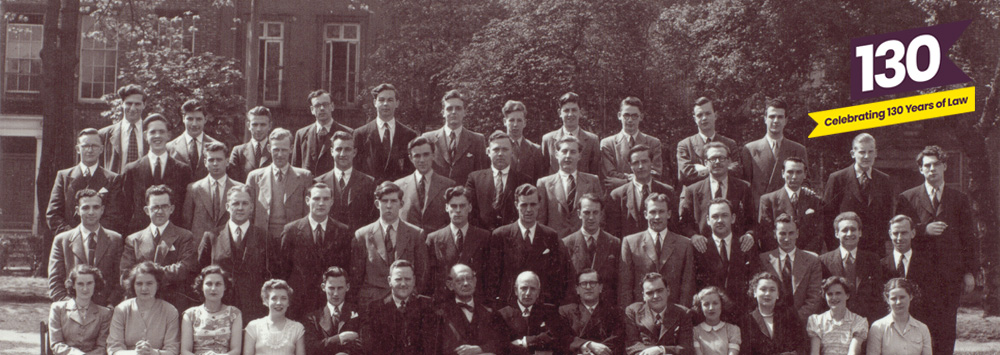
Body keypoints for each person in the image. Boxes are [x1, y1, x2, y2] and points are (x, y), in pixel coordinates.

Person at [894, 145, 976, 355]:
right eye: (927, 165)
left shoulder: (959, 199)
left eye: (936, 165)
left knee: (946, 329)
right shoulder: (907, 198)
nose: (932, 169)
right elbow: (899, 232)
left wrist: (969, 272)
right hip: (918, 276)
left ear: (945, 167)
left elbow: (969, 239)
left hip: (949, 277)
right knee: (919, 328)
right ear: (920, 169)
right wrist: (923, 230)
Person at [197, 185, 273, 325]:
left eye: (245, 203)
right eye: (235, 203)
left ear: (251, 207)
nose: (240, 207)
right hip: (220, 307)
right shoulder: (211, 237)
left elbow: (272, 274)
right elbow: (199, 273)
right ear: (227, 206)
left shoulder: (264, 238)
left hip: (254, 309)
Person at [489, 184, 573, 306]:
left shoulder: (550, 235)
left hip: (541, 305)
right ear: (516, 205)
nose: (529, 210)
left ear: (539, 205)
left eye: (533, 204)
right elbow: (493, 276)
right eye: (524, 205)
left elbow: (556, 276)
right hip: (509, 306)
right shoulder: (501, 235)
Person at [278, 183, 352, 320]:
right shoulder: (291, 231)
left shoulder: (343, 231)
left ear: (331, 202)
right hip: (299, 302)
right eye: (316, 199)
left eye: (325, 199)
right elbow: (283, 270)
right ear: (307, 201)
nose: (321, 203)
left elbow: (346, 268)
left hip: (329, 302)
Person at [120, 185, 198, 312]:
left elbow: (185, 268)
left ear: (171, 209)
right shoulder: (133, 239)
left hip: (173, 302)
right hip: (141, 303)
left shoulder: (185, 236)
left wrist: (147, 275)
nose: (160, 211)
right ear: (146, 210)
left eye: (164, 206)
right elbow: (126, 274)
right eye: (155, 207)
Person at [351, 182, 429, 305]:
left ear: (401, 204)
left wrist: (411, 294)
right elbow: (357, 276)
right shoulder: (362, 235)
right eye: (384, 201)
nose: (388, 206)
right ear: (377, 204)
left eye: (393, 201)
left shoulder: (416, 234)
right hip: (372, 302)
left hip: (405, 301)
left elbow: (422, 273)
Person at [116, 113, 193, 235]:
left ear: (169, 135)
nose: (157, 136)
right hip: (140, 234)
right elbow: (125, 208)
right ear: (145, 135)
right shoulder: (132, 169)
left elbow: (186, 207)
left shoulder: (183, 170)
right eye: (153, 132)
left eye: (162, 132)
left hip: (174, 236)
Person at [822, 133, 894, 257]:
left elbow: (887, 216)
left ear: (876, 153)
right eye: (862, 152)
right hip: (845, 248)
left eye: (870, 152)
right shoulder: (838, 179)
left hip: (874, 251)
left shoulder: (884, 180)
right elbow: (827, 217)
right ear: (853, 154)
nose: (867, 156)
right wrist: (835, 250)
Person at [49, 189, 124, 306]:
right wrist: (69, 305)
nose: (91, 212)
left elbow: (119, 280)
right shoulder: (62, 240)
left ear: (102, 210)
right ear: (77, 210)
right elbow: (55, 281)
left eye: (96, 207)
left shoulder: (115, 239)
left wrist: (110, 305)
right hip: (72, 309)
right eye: (85, 207)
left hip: (105, 311)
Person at [620, 193, 696, 307]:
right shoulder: (630, 242)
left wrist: (682, 315)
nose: (657, 217)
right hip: (641, 315)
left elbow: (687, 286)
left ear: (669, 214)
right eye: (652, 212)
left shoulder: (684, 244)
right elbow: (625, 286)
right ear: (645, 214)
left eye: (661, 212)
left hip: (674, 314)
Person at [678, 142, 755, 254]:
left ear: (729, 162)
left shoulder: (744, 187)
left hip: (736, 251)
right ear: (706, 163)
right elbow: (684, 223)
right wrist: (693, 236)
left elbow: (752, 220)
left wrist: (750, 235)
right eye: (713, 158)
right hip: (703, 251)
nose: (718, 162)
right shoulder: (692, 190)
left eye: (722, 158)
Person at [693, 199, 758, 322]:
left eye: (724, 215)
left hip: (742, 316)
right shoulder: (700, 248)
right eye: (715, 216)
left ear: (733, 218)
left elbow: (754, 281)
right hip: (709, 317)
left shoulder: (746, 245)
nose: (720, 220)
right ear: (707, 220)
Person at [47, 128, 119, 235]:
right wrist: (73, 236)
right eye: (85, 146)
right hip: (70, 241)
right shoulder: (63, 176)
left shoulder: (112, 179)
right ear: (77, 149)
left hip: (100, 241)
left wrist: (94, 235)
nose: (90, 150)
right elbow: (53, 214)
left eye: (94, 146)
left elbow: (113, 216)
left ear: (101, 149)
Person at [738, 97, 808, 206]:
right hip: (760, 211)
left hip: (787, 210)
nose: (776, 121)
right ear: (765, 119)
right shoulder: (750, 149)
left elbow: (805, 183)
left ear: (786, 120)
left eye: (780, 117)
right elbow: (746, 185)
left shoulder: (798, 149)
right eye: (772, 116)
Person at [426, 186, 492, 300]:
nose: (458, 210)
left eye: (462, 206)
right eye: (453, 206)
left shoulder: (484, 237)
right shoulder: (434, 239)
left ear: (470, 207)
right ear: (446, 207)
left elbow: (490, 275)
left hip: (475, 302)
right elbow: (429, 279)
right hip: (444, 304)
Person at [246, 128, 314, 238]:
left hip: (293, 237)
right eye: (276, 150)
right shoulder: (254, 177)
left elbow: (308, 212)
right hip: (263, 238)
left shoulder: (304, 176)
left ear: (291, 149)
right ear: (269, 149)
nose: (280, 154)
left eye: (284, 150)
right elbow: (249, 212)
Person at [362, 259, 439, 355]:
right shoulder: (375, 309)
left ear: (414, 280)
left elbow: (432, 346)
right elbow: (371, 348)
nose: (403, 284)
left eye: (407, 279)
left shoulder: (426, 305)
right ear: (389, 281)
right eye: (398, 279)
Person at [818, 212, 884, 322]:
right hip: (834, 323)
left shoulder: (872, 260)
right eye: (844, 230)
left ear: (860, 232)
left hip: (866, 321)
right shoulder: (823, 261)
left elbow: (878, 295)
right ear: (836, 233)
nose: (849, 233)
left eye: (853, 229)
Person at [757, 213, 823, 322]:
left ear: (797, 233)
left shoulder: (812, 260)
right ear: (775, 234)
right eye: (782, 234)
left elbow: (814, 298)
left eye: (791, 233)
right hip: (772, 322)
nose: (787, 239)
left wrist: (794, 320)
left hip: (802, 323)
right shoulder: (764, 260)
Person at [880, 215, 939, 332]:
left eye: (904, 233)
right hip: (889, 330)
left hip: (920, 327)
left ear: (913, 233)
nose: (899, 238)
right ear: (890, 234)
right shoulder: (880, 265)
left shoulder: (928, 265)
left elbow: (933, 302)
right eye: (895, 233)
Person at [537, 135, 604, 237]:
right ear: (556, 154)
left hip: (584, 242)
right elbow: (540, 219)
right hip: (555, 243)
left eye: (573, 152)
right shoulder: (544, 183)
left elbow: (601, 216)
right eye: (564, 151)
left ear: (579, 156)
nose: (568, 156)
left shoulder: (592, 181)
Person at [107, 262, 181, 355]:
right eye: (139, 284)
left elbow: (173, 351)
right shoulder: (122, 309)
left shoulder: (170, 311)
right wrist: (136, 353)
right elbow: (114, 350)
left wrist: (153, 352)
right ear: (133, 285)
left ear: (157, 285)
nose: (144, 288)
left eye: (149, 283)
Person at [465, 131, 533, 230]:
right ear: (488, 152)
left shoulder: (524, 180)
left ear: (512, 152)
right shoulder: (475, 178)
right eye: (496, 149)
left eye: (505, 149)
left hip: (512, 237)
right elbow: (469, 211)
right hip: (483, 238)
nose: (500, 154)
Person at [607, 144, 679, 238]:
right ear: (630, 165)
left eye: (644, 161)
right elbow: (613, 232)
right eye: (636, 163)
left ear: (651, 163)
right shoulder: (617, 195)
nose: (640, 166)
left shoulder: (667, 191)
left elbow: (674, 226)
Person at [352, 83, 419, 182]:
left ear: (397, 103)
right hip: (369, 194)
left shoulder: (409, 135)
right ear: (375, 102)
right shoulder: (360, 134)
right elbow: (355, 170)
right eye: (381, 100)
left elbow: (411, 171)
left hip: (397, 194)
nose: (385, 104)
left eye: (390, 100)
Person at [495, 271, 572, 355]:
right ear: (516, 290)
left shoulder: (549, 311)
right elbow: (501, 345)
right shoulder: (502, 314)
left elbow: (557, 334)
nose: (528, 293)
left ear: (538, 292)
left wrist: (525, 341)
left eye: (533, 289)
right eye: (524, 288)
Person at [562, 194, 621, 303]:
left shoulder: (615, 243)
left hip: (606, 307)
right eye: (587, 212)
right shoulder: (566, 244)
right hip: (576, 308)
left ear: (601, 214)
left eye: (595, 212)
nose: (591, 217)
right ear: (579, 214)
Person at [422, 89, 489, 186]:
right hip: (436, 198)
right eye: (449, 108)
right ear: (443, 112)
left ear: (464, 112)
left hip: (464, 198)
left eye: (458, 108)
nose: (454, 112)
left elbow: (481, 178)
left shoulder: (477, 140)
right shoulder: (428, 138)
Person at [757, 157, 824, 253]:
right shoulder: (768, 200)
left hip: (807, 258)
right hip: (778, 258)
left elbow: (819, 234)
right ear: (783, 173)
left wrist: (804, 257)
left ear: (805, 175)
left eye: (799, 172)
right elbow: (766, 236)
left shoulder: (815, 200)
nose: (794, 177)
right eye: (790, 172)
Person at [313, 131, 377, 231]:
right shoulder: (319, 182)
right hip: (329, 242)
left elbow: (373, 219)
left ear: (354, 152)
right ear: (331, 152)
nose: (343, 154)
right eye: (339, 149)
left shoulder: (369, 182)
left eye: (347, 149)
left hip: (358, 241)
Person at [182, 142, 244, 241]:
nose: (215, 163)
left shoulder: (240, 188)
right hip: (200, 246)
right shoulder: (193, 189)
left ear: (227, 161)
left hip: (229, 244)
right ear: (205, 162)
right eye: (211, 160)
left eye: (219, 160)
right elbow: (186, 222)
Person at [437, 263, 502, 355]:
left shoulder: (490, 312)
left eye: (469, 278)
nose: (466, 283)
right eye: (459, 280)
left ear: (475, 281)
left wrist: (481, 349)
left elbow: (502, 343)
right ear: (450, 285)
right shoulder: (441, 315)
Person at [48, 265, 113, 355]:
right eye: (80, 284)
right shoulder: (58, 309)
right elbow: (56, 344)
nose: (85, 289)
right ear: (73, 285)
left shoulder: (105, 313)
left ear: (95, 284)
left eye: (89, 283)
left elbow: (102, 347)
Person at [396, 136, 457, 233]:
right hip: (409, 244)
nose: (422, 160)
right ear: (410, 158)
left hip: (438, 244)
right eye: (417, 156)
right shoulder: (398, 186)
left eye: (426, 155)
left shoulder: (449, 185)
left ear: (433, 155)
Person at [623, 272, 694, 355]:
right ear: (643, 296)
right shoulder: (633, 311)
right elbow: (632, 344)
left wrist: (661, 350)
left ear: (668, 291)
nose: (655, 296)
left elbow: (686, 347)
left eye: (659, 291)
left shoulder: (683, 312)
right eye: (650, 293)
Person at [600, 97, 664, 188]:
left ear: (641, 117)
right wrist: (640, 178)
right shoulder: (607, 143)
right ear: (619, 116)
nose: (630, 120)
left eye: (634, 116)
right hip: (618, 197)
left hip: (646, 196)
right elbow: (610, 175)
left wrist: (624, 181)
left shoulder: (653, 143)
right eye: (626, 115)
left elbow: (656, 174)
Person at [677, 97, 740, 187]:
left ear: (715, 115)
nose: (704, 118)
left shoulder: (729, 144)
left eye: (708, 113)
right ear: (694, 119)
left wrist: (705, 169)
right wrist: (721, 168)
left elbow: (737, 171)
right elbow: (685, 175)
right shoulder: (685, 145)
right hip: (694, 197)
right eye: (699, 115)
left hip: (723, 193)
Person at [738, 272, 807, 355]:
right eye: (763, 289)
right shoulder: (746, 321)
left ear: (778, 294)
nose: (767, 293)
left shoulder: (790, 316)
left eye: (772, 290)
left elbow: (802, 345)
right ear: (754, 293)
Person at [558, 269, 623, 355]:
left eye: (593, 283)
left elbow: (616, 338)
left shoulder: (615, 312)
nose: (588, 287)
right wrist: (587, 345)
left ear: (600, 287)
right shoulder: (565, 311)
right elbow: (563, 338)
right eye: (584, 284)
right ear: (577, 289)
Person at [180, 265, 242, 355]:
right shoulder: (190, 315)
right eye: (209, 284)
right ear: (201, 287)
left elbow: (236, 351)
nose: (213, 289)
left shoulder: (234, 313)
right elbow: (185, 351)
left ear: (225, 287)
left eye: (218, 284)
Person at [304, 266, 363, 355]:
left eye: (340, 288)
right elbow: (311, 348)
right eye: (331, 288)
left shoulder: (360, 313)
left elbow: (365, 344)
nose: (336, 293)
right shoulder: (313, 318)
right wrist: (339, 338)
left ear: (347, 287)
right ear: (323, 287)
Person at [293, 89, 353, 176]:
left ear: (332, 106)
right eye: (317, 105)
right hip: (309, 187)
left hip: (335, 187)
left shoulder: (348, 133)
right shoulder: (301, 134)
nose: (322, 108)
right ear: (312, 110)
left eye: (325, 104)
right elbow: (295, 169)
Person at [867, 278, 932, 355]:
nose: (898, 302)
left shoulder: (922, 329)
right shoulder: (878, 327)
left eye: (902, 297)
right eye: (893, 298)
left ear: (911, 296)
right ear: (887, 300)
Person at [541, 92, 601, 175]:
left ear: (580, 112)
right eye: (566, 110)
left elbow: (595, 173)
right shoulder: (548, 139)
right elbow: (543, 173)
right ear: (559, 113)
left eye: (574, 110)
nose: (570, 114)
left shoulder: (592, 140)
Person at [807, 276, 868, 355]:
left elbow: (853, 352)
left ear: (847, 295)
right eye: (829, 294)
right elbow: (814, 353)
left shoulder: (858, 321)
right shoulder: (816, 321)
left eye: (838, 293)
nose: (834, 297)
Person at [243, 279, 306, 355]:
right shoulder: (253, 327)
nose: (279, 302)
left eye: (283, 298)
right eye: (274, 298)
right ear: (266, 301)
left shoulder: (297, 328)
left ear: (288, 302)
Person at [167, 99, 221, 180]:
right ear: (183, 119)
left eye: (198, 119)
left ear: (205, 119)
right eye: (190, 119)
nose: (194, 124)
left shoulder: (217, 146)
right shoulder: (169, 147)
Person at [99, 84, 147, 174]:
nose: (132, 108)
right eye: (129, 103)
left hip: (144, 186)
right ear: (122, 104)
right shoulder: (104, 134)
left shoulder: (152, 133)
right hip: (116, 186)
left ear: (144, 105)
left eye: (137, 104)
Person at [501, 100, 547, 182]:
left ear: (525, 123)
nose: (515, 124)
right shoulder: (496, 149)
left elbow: (539, 181)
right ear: (505, 122)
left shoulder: (535, 150)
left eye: (519, 120)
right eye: (511, 120)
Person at [228, 106, 273, 183]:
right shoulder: (238, 152)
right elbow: (232, 181)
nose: (258, 129)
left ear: (270, 126)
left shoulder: (276, 150)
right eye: (255, 125)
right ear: (248, 125)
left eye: (263, 125)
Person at [691, 286, 741, 355]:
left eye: (715, 303)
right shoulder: (695, 331)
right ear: (700, 307)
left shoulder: (732, 330)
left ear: (722, 305)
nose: (711, 308)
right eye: (706, 304)